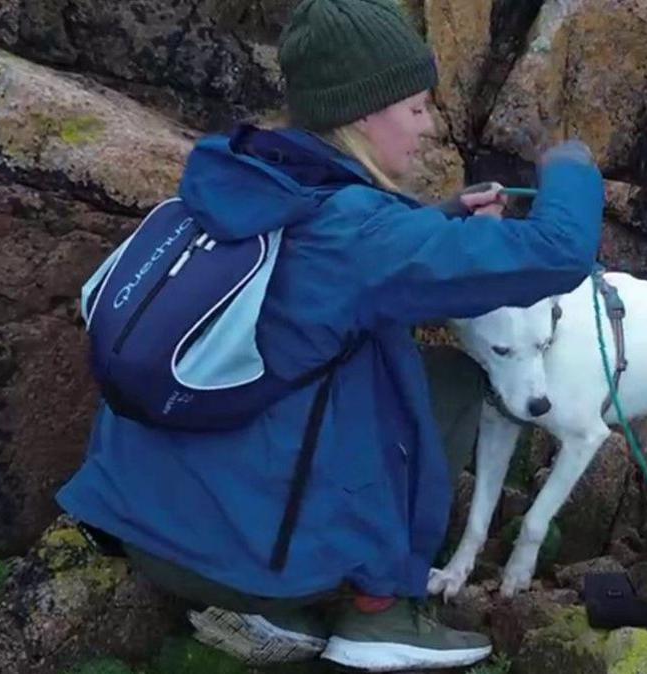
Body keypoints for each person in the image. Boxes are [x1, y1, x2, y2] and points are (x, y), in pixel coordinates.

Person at [55, 0, 604, 670]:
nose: (427, 128)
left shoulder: (243, 171)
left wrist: (440, 219)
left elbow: (327, 272)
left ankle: (263, 578)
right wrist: (572, 169)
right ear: (363, 112)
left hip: (131, 517)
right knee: (444, 380)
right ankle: (378, 612)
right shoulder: (361, 234)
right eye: (416, 108)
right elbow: (558, 253)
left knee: (356, 353)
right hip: (230, 562)